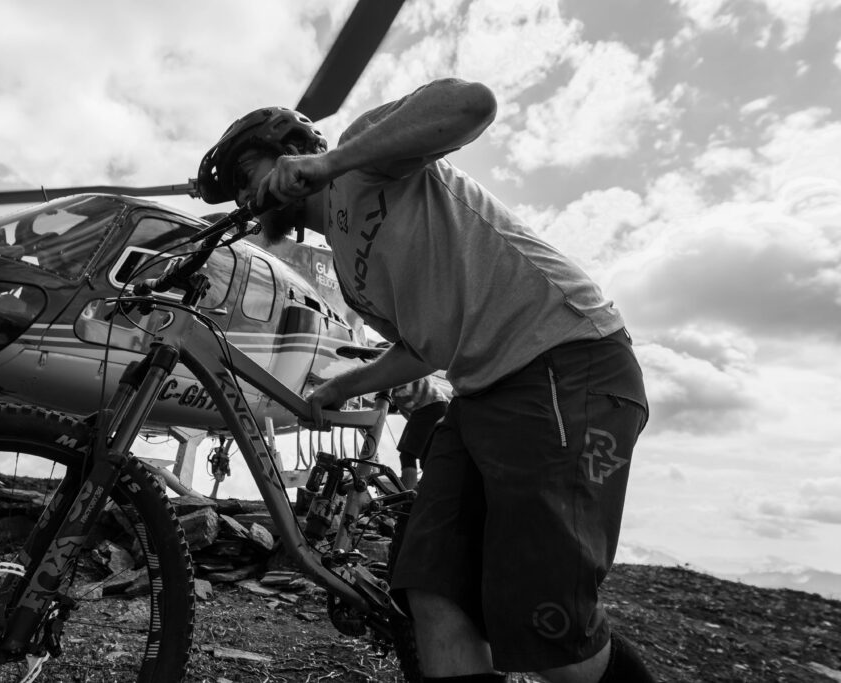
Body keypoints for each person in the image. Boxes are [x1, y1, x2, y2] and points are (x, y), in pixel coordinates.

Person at [197, 78, 654, 683]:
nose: (249, 195)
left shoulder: (367, 153)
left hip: (566, 361)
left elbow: (473, 105)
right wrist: (344, 386)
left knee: (551, 627)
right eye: (240, 192)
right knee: (431, 589)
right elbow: (425, 347)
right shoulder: (349, 274)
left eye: (249, 174)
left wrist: (330, 161)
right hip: (481, 391)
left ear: (291, 148)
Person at [376, 343, 452, 489]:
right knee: (427, 460)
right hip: (439, 407)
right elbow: (391, 403)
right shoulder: (402, 373)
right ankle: (424, 494)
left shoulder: (396, 368)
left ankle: (408, 498)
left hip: (428, 407)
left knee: (407, 455)